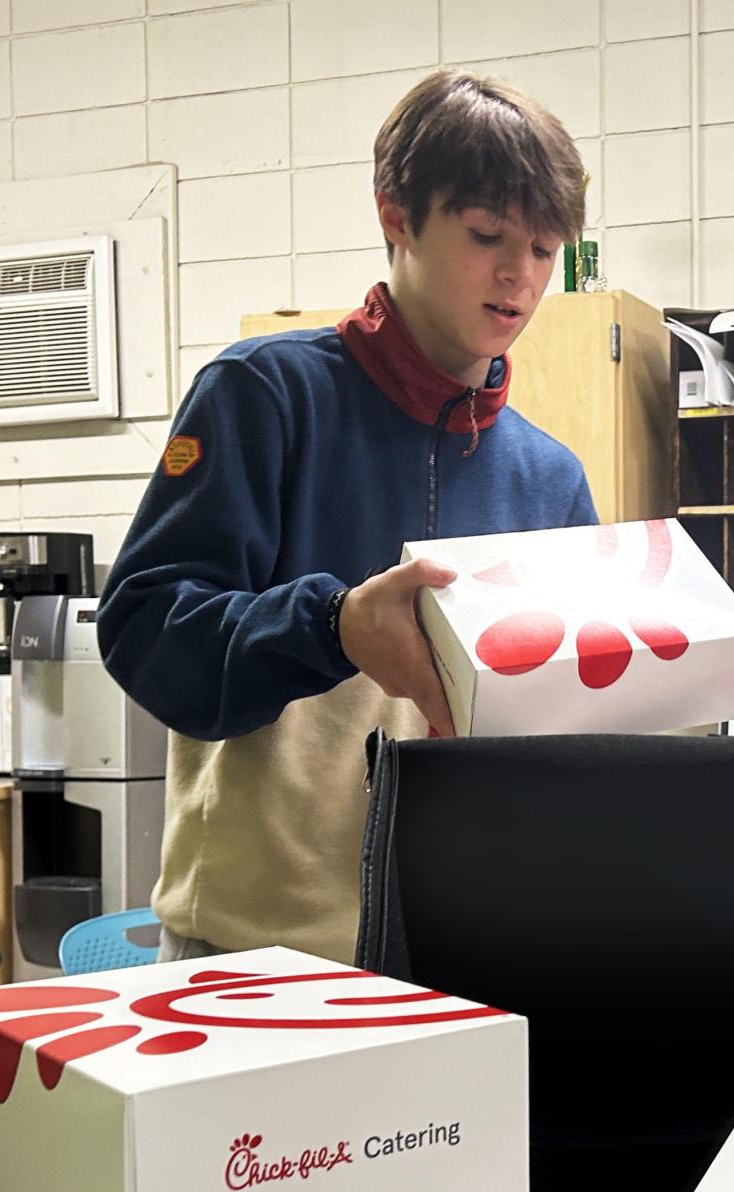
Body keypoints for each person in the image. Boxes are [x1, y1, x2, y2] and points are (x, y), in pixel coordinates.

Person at [97, 70, 594, 965]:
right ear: (395, 214)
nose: (519, 274)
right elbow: (144, 636)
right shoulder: (264, 397)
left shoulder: (550, 478)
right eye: (487, 235)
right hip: (258, 959)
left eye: (545, 248)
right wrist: (332, 626)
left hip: (464, 952)